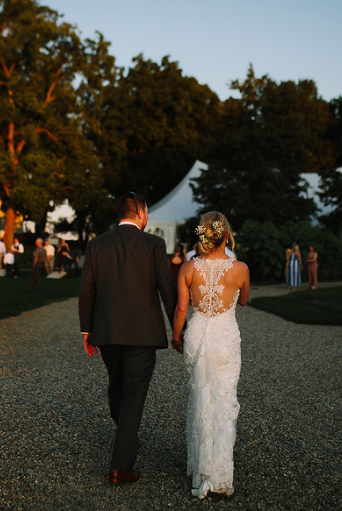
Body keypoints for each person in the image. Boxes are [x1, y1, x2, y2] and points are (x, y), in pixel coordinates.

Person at [78, 192, 177, 485]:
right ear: (141, 212)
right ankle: (120, 467)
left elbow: (87, 289)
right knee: (133, 395)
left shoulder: (97, 244)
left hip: (106, 332)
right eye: (147, 211)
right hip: (143, 334)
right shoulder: (154, 244)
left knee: (118, 385)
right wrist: (178, 330)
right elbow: (166, 290)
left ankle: (126, 434)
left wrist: (87, 330)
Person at [171, 211, 250, 499]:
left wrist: (176, 337)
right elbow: (244, 300)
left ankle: (200, 472)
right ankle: (218, 476)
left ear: (203, 236)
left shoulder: (188, 269)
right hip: (226, 338)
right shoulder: (241, 268)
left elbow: (181, 310)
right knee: (224, 400)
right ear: (226, 236)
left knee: (201, 400)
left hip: (198, 336)